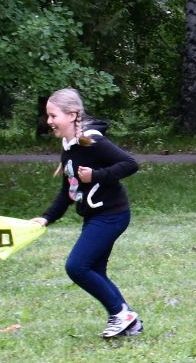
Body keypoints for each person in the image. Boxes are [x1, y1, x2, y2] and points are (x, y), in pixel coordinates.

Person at [31, 88, 143, 339]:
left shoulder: (89, 141)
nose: (48, 122)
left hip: (112, 215)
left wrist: (97, 176)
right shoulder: (69, 146)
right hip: (94, 216)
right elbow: (67, 191)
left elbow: (130, 164)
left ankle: (122, 314)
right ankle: (129, 322)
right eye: (47, 116)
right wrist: (46, 218)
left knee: (77, 266)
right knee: (95, 271)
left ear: (71, 115)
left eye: (52, 116)